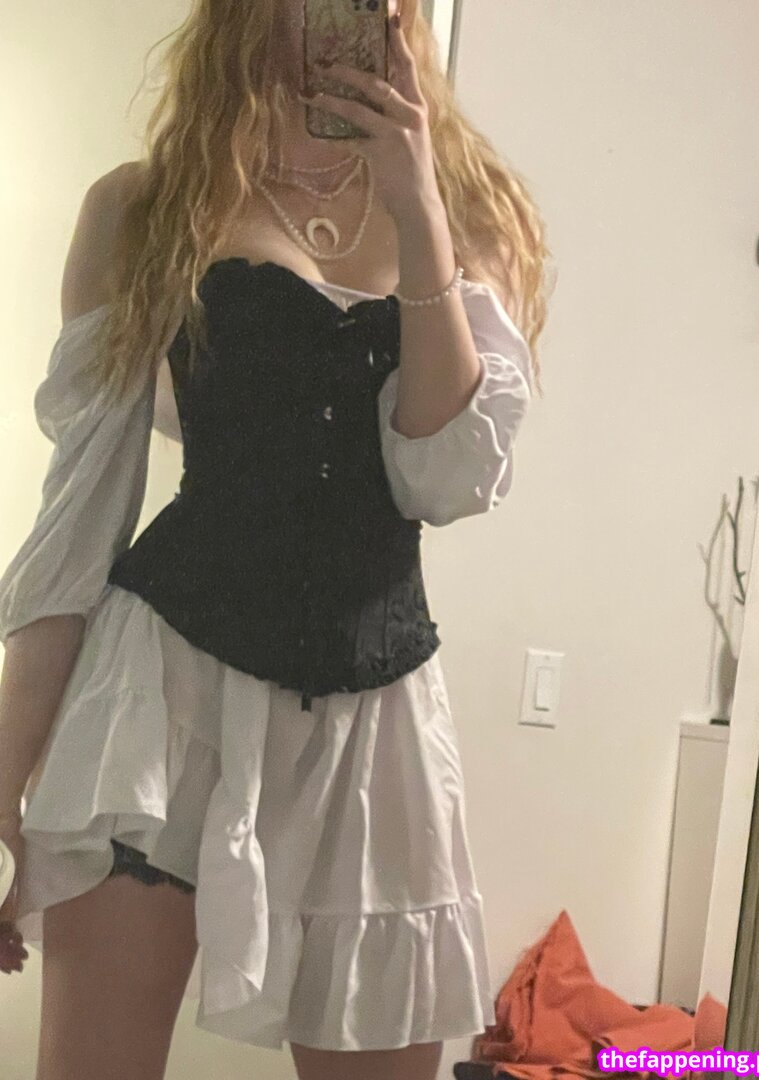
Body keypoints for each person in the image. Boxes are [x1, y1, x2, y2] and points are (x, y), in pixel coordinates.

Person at [0, 2, 554, 1078]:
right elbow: (76, 524)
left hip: (378, 729)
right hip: (160, 702)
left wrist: (419, 214)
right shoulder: (148, 206)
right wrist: (3, 784)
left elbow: (442, 480)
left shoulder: (473, 217)